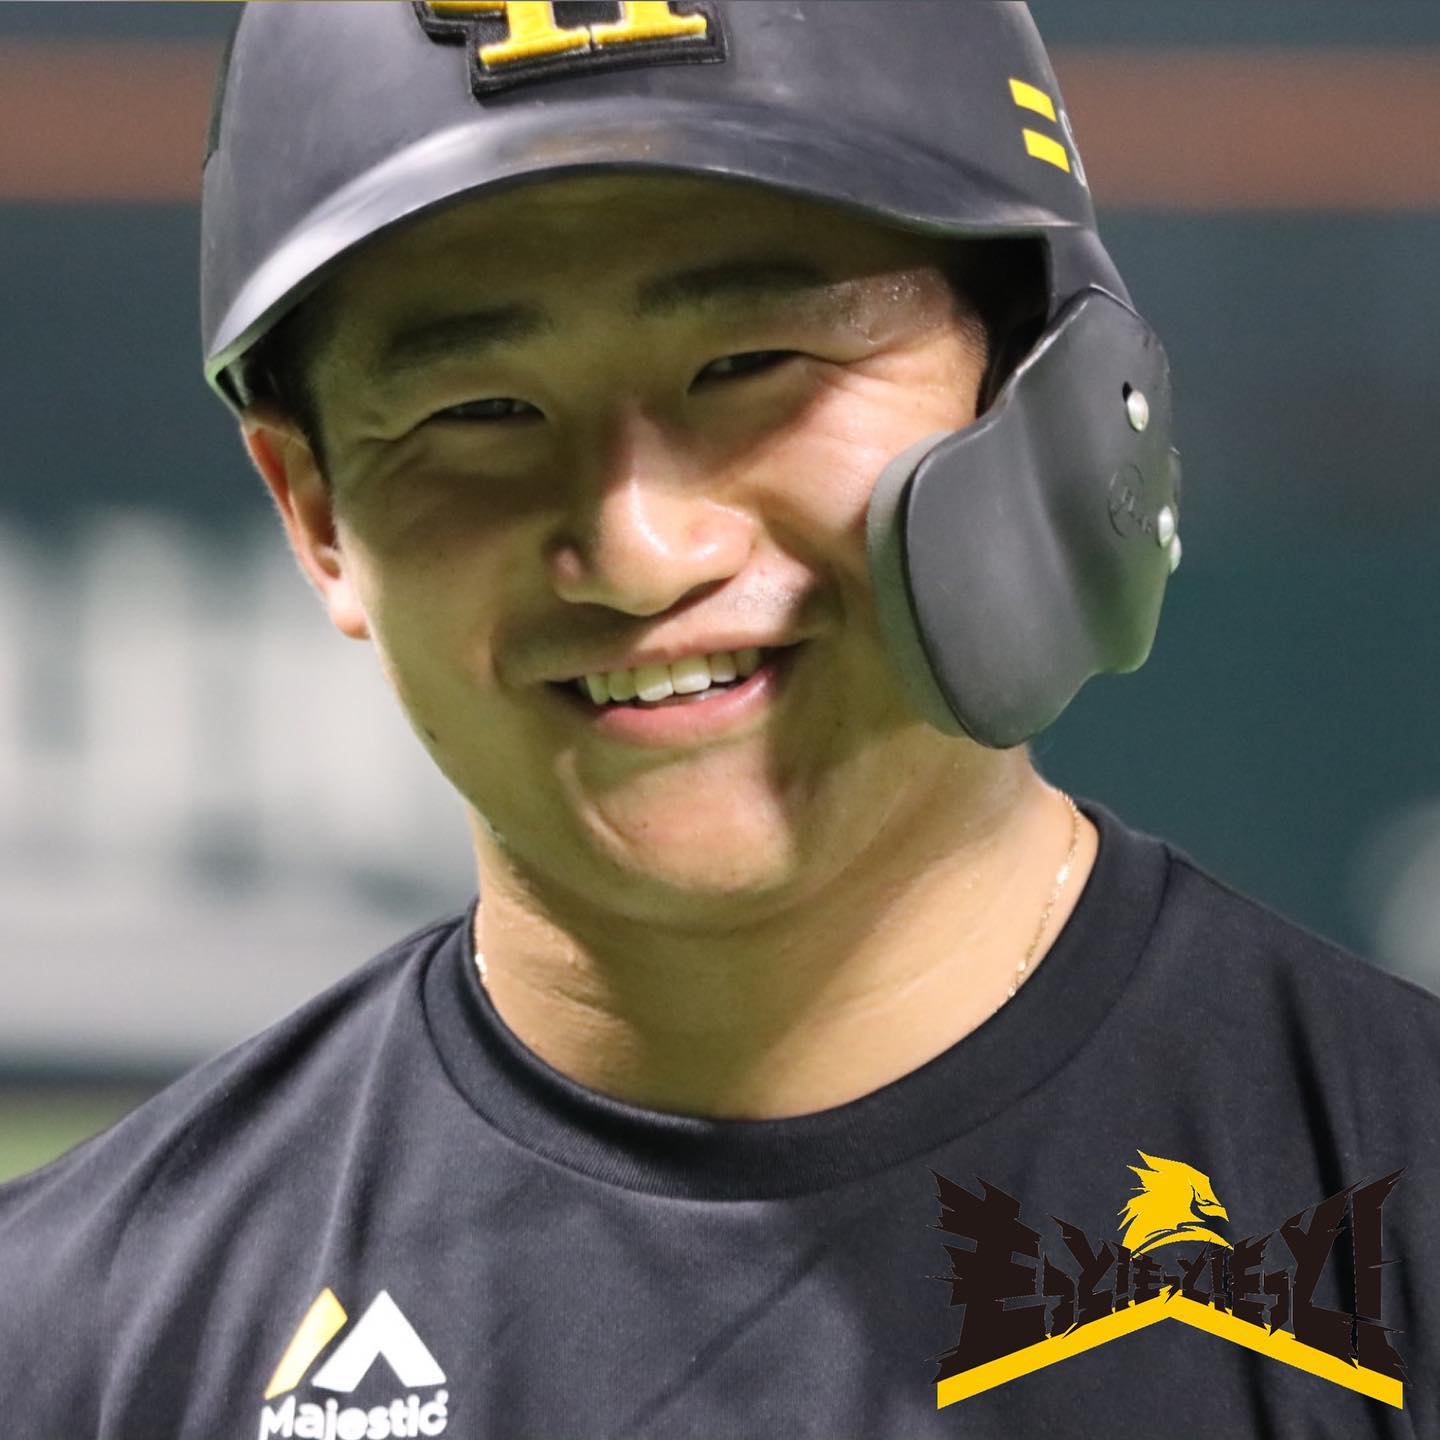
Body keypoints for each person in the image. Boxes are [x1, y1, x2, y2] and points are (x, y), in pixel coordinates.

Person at [1, 4, 1435, 1436]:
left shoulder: (1402, 1200)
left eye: (751, 366)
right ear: (316, 517)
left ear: (1040, 387)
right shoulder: (72, 1347)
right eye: (482, 410)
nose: (638, 553)